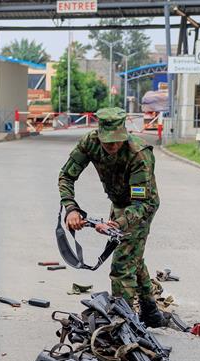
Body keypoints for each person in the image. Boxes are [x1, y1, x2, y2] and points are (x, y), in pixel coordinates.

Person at [58, 107, 168, 328]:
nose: (112, 147)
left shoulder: (139, 153)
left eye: (116, 142)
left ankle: (123, 323)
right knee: (132, 255)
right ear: (99, 135)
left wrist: (117, 224)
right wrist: (71, 209)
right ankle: (151, 312)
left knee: (121, 265)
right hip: (118, 204)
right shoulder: (89, 142)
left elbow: (140, 203)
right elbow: (66, 176)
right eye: (107, 142)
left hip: (142, 207)